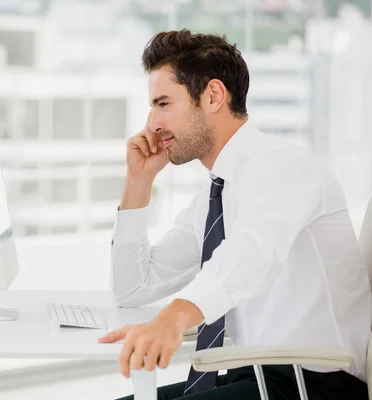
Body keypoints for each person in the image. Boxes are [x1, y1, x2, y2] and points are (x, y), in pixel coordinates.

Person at [97, 29, 371, 399]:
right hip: (254, 375)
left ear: (212, 96)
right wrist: (138, 182)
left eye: (163, 104)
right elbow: (132, 287)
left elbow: (250, 254)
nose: (152, 124)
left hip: (315, 383)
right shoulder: (214, 196)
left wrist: (175, 318)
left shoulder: (284, 166)